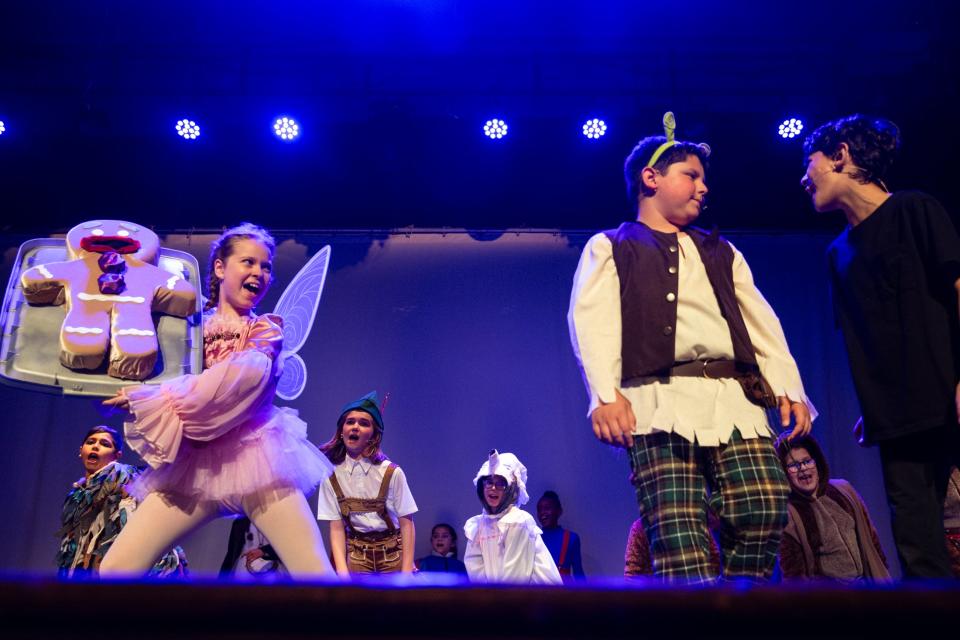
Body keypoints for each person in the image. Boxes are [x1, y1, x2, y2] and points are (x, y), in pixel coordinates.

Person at [569, 112, 816, 583]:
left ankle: (740, 605)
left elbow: (762, 322)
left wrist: (788, 385)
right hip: (657, 403)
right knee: (678, 535)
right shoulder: (611, 246)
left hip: (733, 400)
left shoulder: (721, 251)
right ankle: (697, 619)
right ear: (651, 177)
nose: (703, 187)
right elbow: (591, 321)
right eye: (691, 176)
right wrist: (604, 395)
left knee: (764, 504)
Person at [99, 223, 335, 578]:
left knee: (315, 574)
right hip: (194, 470)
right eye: (249, 262)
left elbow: (231, 385)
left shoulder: (264, 331)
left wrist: (152, 398)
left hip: (258, 464)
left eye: (266, 265)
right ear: (221, 268)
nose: (260, 272)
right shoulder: (187, 330)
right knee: (116, 569)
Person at [802, 114, 960, 577]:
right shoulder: (838, 253)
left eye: (807, 162)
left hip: (950, 393)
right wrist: (874, 403)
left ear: (840, 155)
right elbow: (871, 337)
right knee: (918, 542)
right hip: (898, 417)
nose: (802, 177)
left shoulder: (914, 209)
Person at [57, 425, 187, 578]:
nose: (96, 446)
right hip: (92, 566)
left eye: (105, 444)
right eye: (91, 442)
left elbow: (159, 472)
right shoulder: (76, 493)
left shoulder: (122, 474)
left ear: (117, 454)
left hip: (124, 563)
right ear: (81, 450)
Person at [317, 391, 418, 575]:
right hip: (357, 555)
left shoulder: (391, 473)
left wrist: (406, 573)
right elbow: (336, 528)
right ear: (341, 431)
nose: (355, 427)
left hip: (392, 554)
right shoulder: (331, 476)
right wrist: (342, 574)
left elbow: (407, 524)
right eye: (350, 422)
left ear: (373, 436)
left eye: (363, 423)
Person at [775, 433, 891, 582]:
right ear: (784, 472)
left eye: (807, 461)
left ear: (816, 462)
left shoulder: (844, 490)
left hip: (865, 589)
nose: (803, 468)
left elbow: (872, 541)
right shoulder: (789, 514)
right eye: (793, 465)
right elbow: (794, 575)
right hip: (830, 598)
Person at [463, 450, 562, 584]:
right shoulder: (477, 526)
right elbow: (475, 572)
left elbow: (515, 580)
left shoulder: (518, 521)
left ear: (511, 489)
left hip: (533, 600)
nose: (493, 488)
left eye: (500, 483)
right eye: (489, 482)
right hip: (498, 600)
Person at [536, 490, 585, 581]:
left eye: (547, 508)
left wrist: (585, 595)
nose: (542, 512)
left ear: (559, 511)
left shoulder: (571, 538)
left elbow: (578, 574)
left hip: (564, 592)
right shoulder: (534, 538)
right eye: (539, 509)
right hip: (539, 592)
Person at [219, 517, 287, 580]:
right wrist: (221, 580)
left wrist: (264, 551)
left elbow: (286, 545)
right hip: (243, 571)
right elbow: (231, 553)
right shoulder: (239, 521)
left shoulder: (279, 519)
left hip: (272, 571)